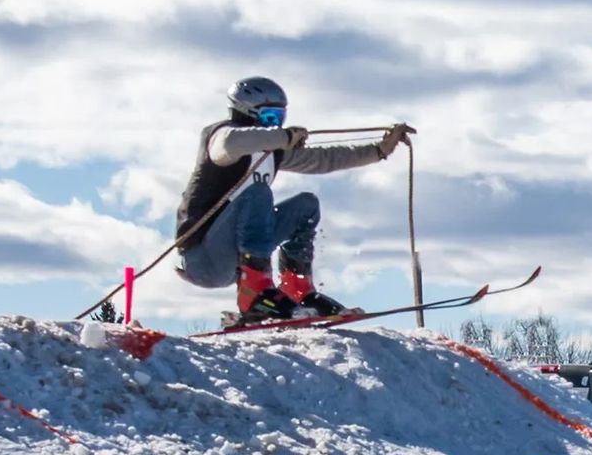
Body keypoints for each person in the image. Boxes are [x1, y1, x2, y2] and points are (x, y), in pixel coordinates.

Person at [175, 76, 415, 322]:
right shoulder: (220, 138)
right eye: (269, 117)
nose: (275, 125)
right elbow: (232, 141)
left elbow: (322, 159)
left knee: (306, 205)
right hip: (204, 258)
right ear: (246, 113)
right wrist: (282, 137)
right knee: (258, 192)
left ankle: (296, 290)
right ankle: (254, 293)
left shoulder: (271, 153)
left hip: (236, 258)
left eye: (280, 118)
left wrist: (379, 151)